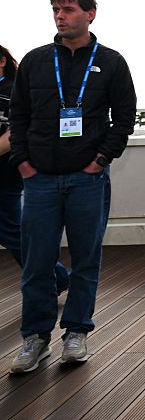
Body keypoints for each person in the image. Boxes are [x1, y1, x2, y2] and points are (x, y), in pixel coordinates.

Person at [7, 0, 136, 373]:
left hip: (87, 180)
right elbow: (18, 117)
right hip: (40, 180)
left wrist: (99, 161)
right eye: (55, 10)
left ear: (90, 14)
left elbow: (124, 119)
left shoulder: (111, 62)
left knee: (85, 261)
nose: (60, 16)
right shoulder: (34, 61)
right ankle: (36, 338)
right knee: (36, 262)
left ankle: (76, 333)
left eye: (68, 9)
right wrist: (23, 164)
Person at [0, 44, 70, 291]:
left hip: (5, 176)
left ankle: (58, 279)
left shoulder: (9, 91)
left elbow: (15, 132)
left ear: (2, 62)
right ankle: (58, 278)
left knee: (13, 233)